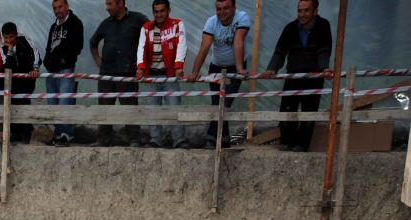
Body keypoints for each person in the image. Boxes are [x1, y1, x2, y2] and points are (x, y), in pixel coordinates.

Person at [261, 0, 332, 152]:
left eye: (306, 10)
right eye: (300, 11)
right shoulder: (290, 28)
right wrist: (272, 68)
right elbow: (280, 51)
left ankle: (302, 144)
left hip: (313, 77)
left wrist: (324, 68)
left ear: (315, 11)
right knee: (287, 110)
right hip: (292, 76)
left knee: (309, 111)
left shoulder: (323, 25)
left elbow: (324, 49)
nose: (302, 14)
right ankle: (287, 141)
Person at [188, 0, 251, 148]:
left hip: (235, 68)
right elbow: (204, 47)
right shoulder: (211, 22)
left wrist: (240, 68)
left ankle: (210, 137)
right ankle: (225, 139)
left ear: (234, 8)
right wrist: (195, 72)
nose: (222, 12)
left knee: (225, 103)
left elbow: (238, 41)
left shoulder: (242, 17)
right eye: (219, 9)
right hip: (216, 67)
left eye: (226, 8)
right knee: (217, 103)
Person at [90, 0, 149, 146]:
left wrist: (142, 63)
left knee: (130, 107)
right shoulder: (106, 23)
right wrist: (98, 61)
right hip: (106, 74)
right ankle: (103, 139)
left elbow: (151, 37)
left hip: (128, 72)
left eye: (110, 4)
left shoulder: (138, 19)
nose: (107, 8)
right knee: (104, 107)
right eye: (106, 4)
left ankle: (134, 139)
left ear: (121, 3)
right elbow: (93, 42)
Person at [135, 0, 189, 147]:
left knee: (175, 107)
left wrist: (178, 66)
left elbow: (182, 45)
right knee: (153, 109)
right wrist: (140, 67)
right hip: (151, 76)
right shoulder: (146, 28)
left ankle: (179, 140)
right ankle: (155, 140)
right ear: (153, 13)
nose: (159, 14)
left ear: (168, 10)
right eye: (156, 11)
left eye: (162, 11)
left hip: (170, 75)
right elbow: (141, 47)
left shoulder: (177, 24)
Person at [43, 0, 84, 146]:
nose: (57, 10)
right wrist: (47, 61)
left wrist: (63, 60)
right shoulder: (53, 26)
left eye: (60, 7)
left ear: (67, 6)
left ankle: (67, 134)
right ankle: (59, 134)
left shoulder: (75, 23)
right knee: (53, 103)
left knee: (64, 102)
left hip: (66, 69)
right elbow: (48, 47)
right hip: (51, 71)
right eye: (54, 8)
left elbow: (78, 46)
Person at [1, 23, 41, 144]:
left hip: (27, 80)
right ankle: (15, 133)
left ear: (16, 35)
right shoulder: (2, 47)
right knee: (12, 105)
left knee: (24, 103)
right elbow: (6, 65)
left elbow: (36, 54)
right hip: (12, 82)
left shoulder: (25, 40)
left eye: (11, 37)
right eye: (6, 37)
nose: (9, 40)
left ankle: (26, 132)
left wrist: (35, 68)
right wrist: (10, 50)